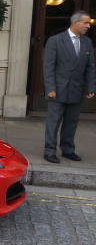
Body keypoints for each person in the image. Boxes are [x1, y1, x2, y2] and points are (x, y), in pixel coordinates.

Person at [43, 10, 96, 163]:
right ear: (75, 22)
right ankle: (50, 151)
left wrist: (91, 87)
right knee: (54, 121)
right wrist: (50, 88)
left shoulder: (87, 42)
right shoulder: (55, 40)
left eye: (89, 23)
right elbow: (48, 66)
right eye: (85, 23)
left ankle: (68, 149)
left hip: (77, 89)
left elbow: (90, 67)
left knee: (71, 122)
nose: (88, 26)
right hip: (58, 89)